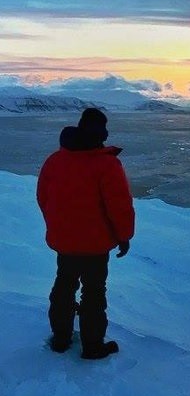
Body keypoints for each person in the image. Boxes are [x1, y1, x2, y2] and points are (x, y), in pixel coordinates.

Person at [36, 107, 135, 360]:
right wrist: (124, 236)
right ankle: (92, 346)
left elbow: (43, 198)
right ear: (101, 133)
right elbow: (119, 206)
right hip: (96, 245)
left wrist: (57, 224)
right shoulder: (106, 164)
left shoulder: (55, 160)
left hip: (65, 243)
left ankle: (60, 339)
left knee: (64, 285)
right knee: (93, 291)